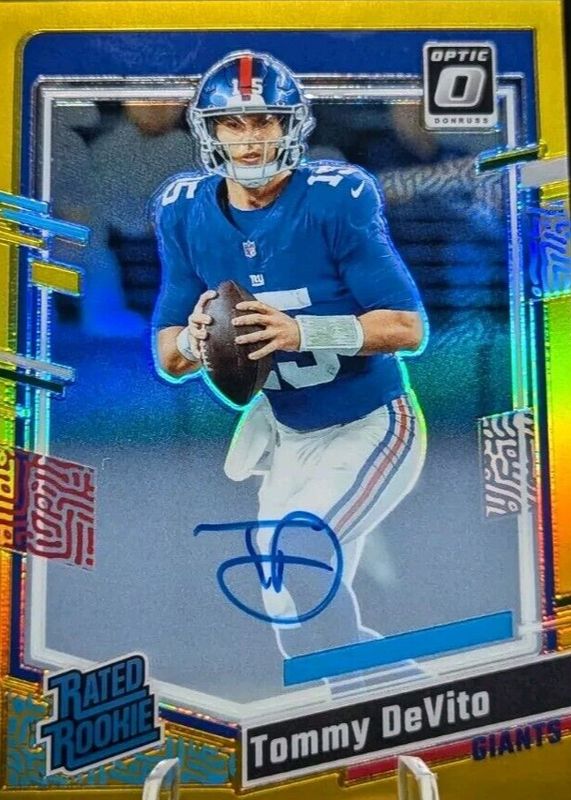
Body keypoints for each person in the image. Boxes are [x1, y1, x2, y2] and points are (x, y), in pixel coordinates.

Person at [152, 51, 427, 665]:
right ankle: (381, 690)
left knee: (299, 557)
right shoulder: (183, 209)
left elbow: (407, 327)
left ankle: (389, 693)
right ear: (210, 131)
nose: (250, 140)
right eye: (233, 124)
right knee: (295, 627)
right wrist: (197, 339)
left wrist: (301, 332)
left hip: (369, 424)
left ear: (290, 126)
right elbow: (169, 354)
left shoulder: (336, 197)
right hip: (285, 438)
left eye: (265, 121)